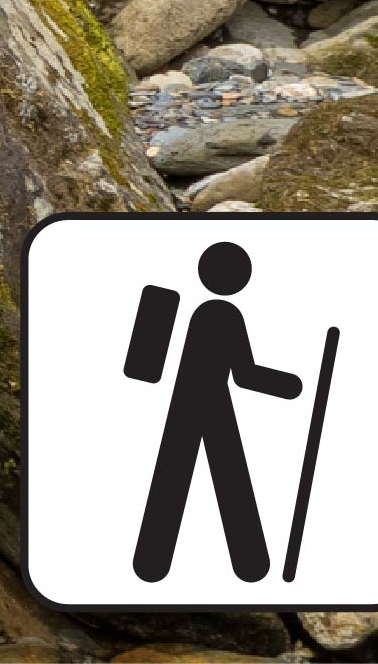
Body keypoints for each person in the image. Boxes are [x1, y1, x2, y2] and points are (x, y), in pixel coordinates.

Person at [132, 241, 305, 582]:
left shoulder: (166, 297)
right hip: (209, 404)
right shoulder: (223, 314)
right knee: (229, 479)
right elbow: (245, 374)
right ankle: (250, 564)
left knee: (177, 477)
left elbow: (143, 365)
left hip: (187, 402)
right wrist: (291, 385)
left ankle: (151, 564)